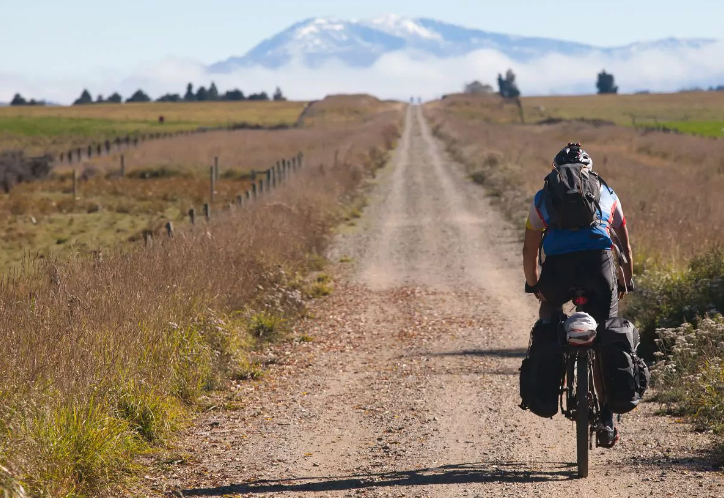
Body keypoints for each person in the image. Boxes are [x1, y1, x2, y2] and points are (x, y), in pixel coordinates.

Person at [522, 143, 634, 448]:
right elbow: (623, 246)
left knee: (549, 317)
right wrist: (626, 280)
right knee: (605, 331)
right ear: (589, 170)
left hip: (558, 272)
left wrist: (535, 285)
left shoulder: (544, 198)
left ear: (557, 171)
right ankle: (608, 420)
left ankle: (551, 376)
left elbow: (530, 248)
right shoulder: (607, 193)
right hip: (598, 268)